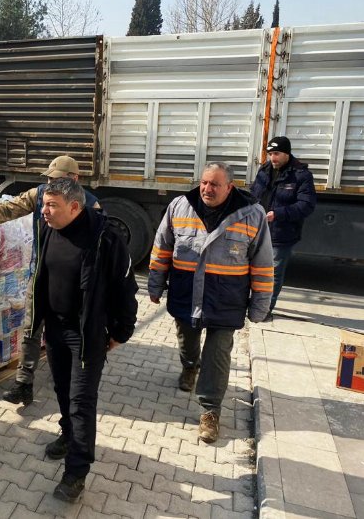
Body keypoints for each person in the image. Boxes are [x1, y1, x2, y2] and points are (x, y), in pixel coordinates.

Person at [0, 155, 100, 406]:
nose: (51, 184)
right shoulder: (39, 194)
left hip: (72, 283)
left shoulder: (90, 205)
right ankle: (23, 383)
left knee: (70, 331)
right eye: (49, 179)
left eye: (58, 179)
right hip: (40, 273)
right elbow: (8, 208)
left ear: (75, 179)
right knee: (31, 328)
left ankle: (72, 381)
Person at [27, 178, 136, 501]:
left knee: (81, 403)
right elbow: (41, 276)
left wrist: (121, 331)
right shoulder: (48, 229)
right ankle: (68, 435)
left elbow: (125, 288)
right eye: (44, 204)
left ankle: (76, 473)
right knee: (62, 390)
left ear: (75, 207)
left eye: (52, 205)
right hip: (55, 330)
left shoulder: (106, 238)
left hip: (86, 335)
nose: (44, 211)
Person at [148, 162, 273, 443]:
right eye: (204, 182)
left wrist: (259, 306)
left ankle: (210, 410)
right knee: (187, 341)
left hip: (226, 300)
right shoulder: (179, 206)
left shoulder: (252, 214)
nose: (207, 189)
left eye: (215, 184)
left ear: (230, 187)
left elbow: (263, 264)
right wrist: (155, 284)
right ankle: (190, 366)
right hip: (186, 294)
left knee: (217, 355)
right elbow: (162, 248)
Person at [250, 136, 317, 319]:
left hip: (282, 233)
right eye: (270, 154)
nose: (273, 158)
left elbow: (306, 205)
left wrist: (278, 214)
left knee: (272, 274)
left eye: (277, 153)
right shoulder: (264, 170)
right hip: (258, 230)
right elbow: (253, 194)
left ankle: (264, 311)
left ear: (287, 153)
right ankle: (251, 303)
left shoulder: (301, 175)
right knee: (252, 269)